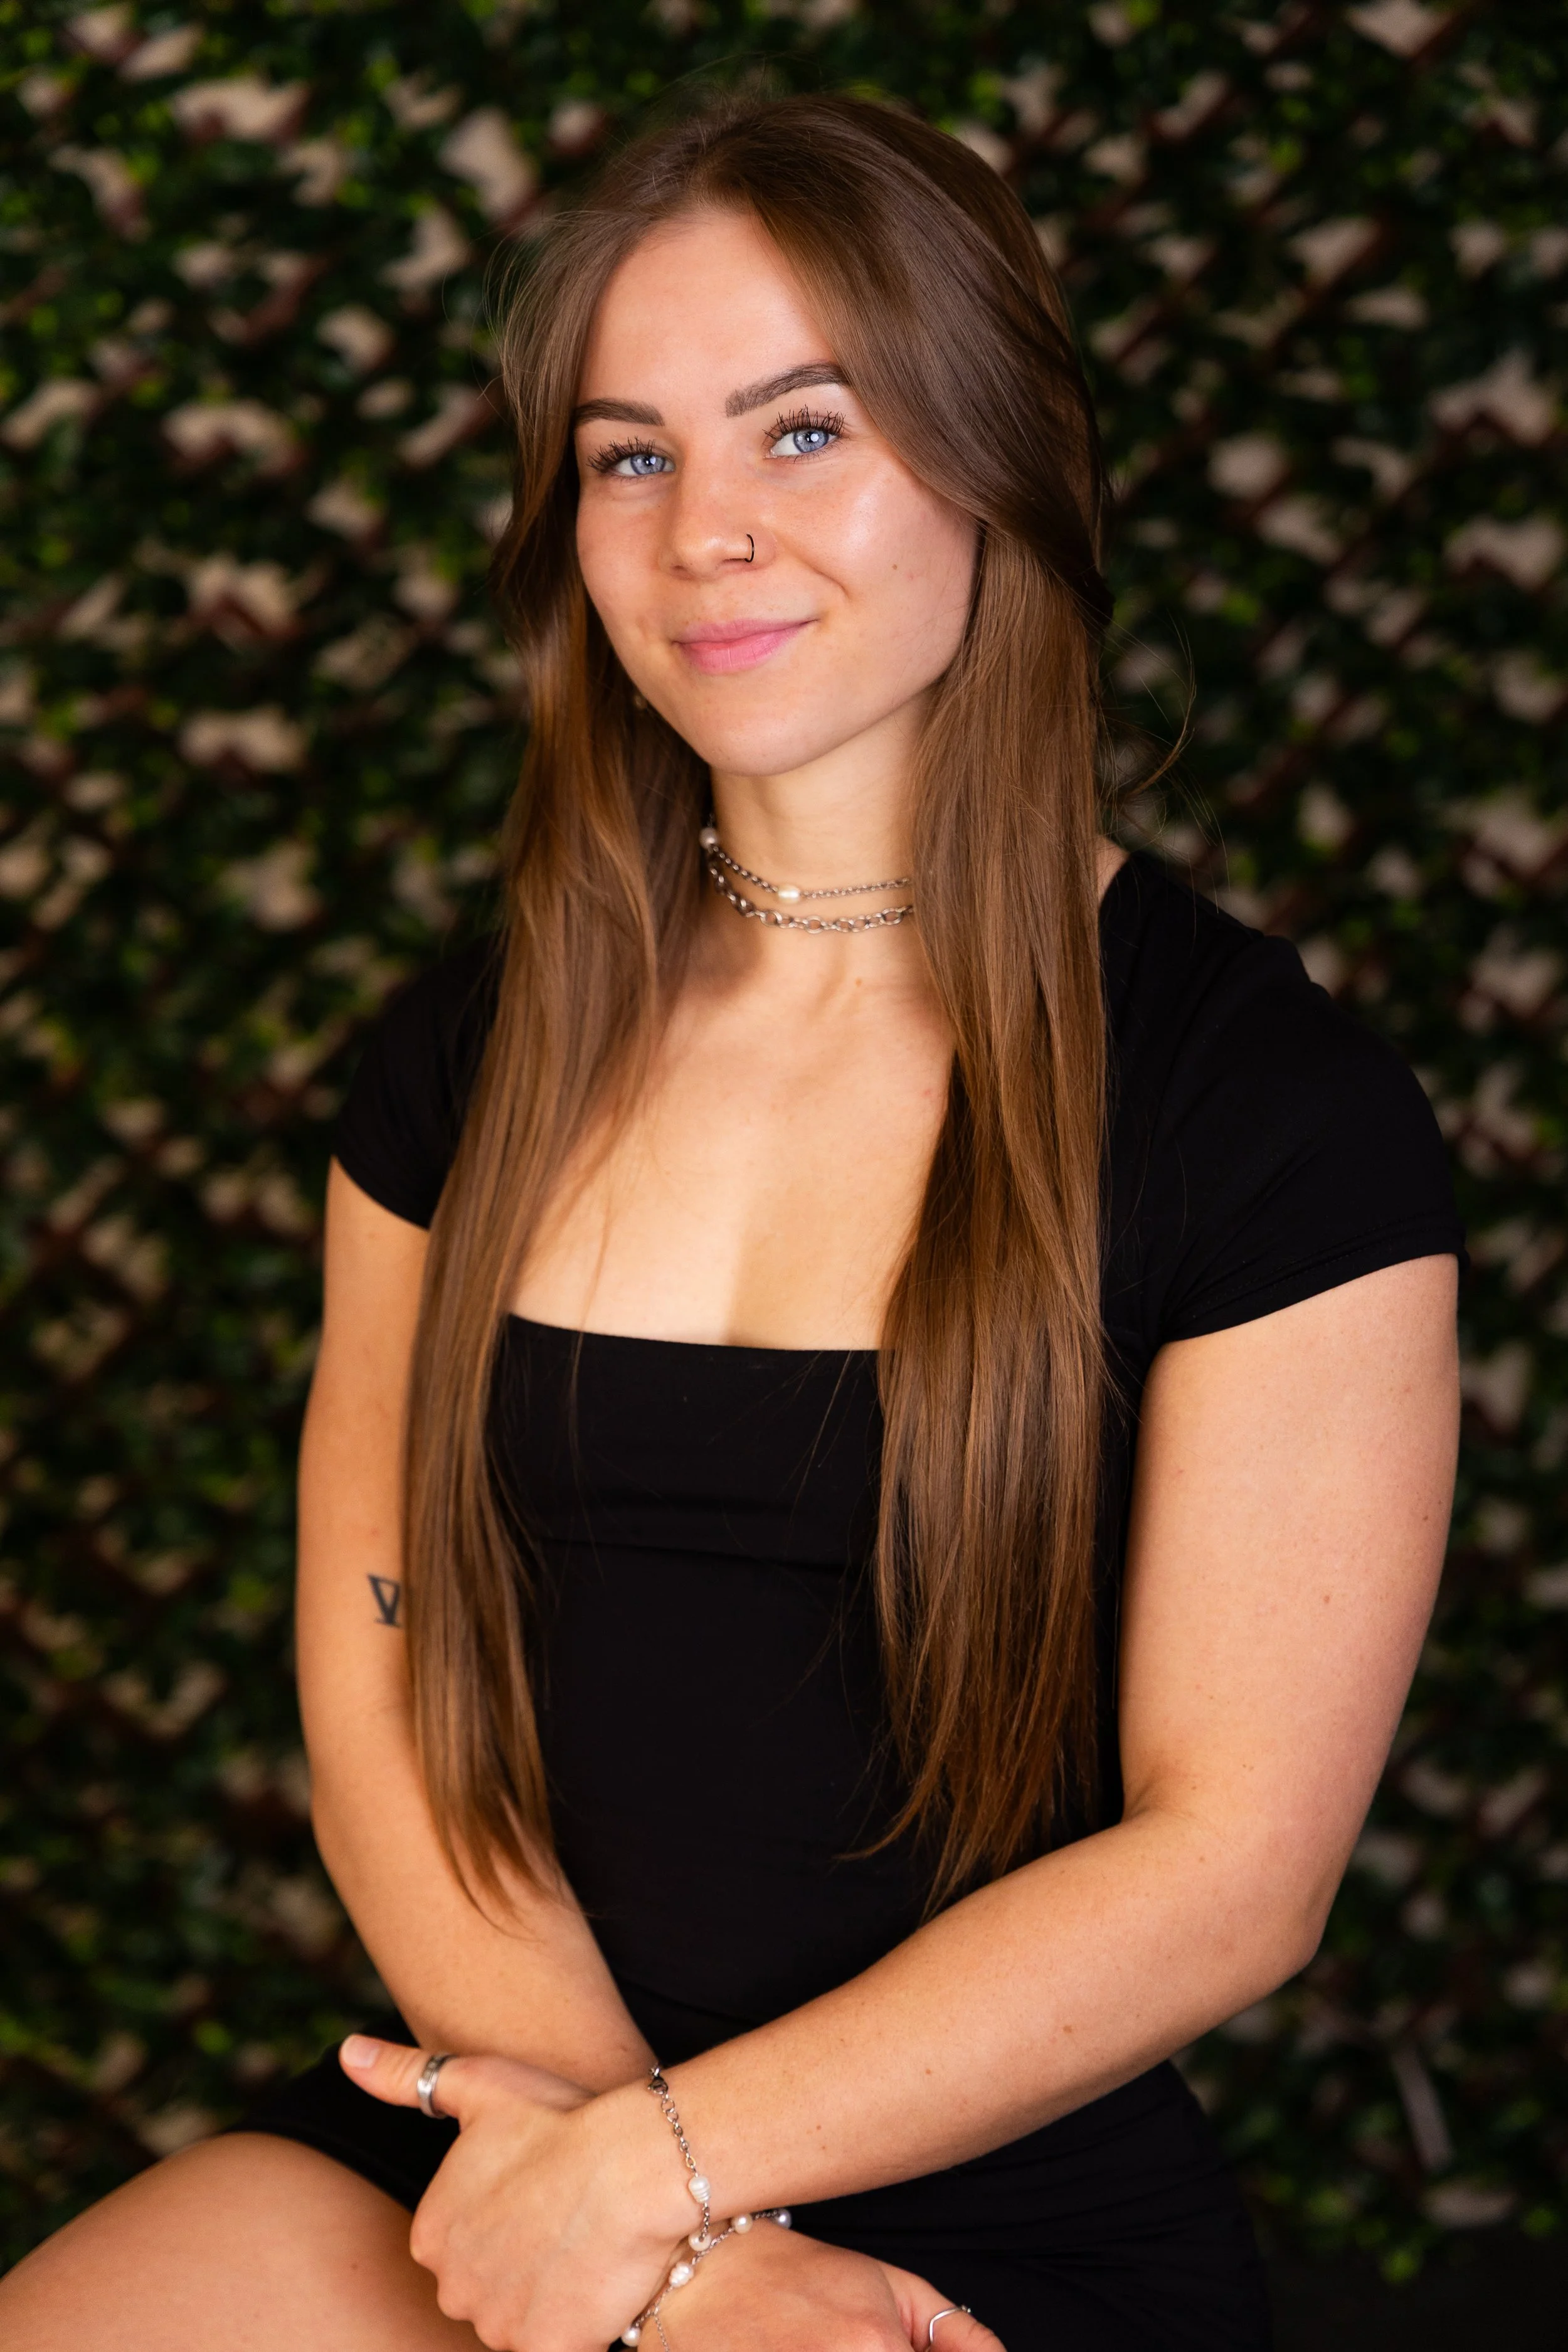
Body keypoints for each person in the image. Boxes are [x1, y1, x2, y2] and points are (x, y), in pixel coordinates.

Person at [0, 92, 1463, 2352]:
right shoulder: (466, 1050)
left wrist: (687, 2183)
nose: (706, 536)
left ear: (995, 457)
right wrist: (640, 2230)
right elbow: (389, 1677)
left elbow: (1226, 1871)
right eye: (627, 454)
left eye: (803, 431)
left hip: (967, 2205)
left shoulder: (1268, 1113)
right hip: (505, 2135)